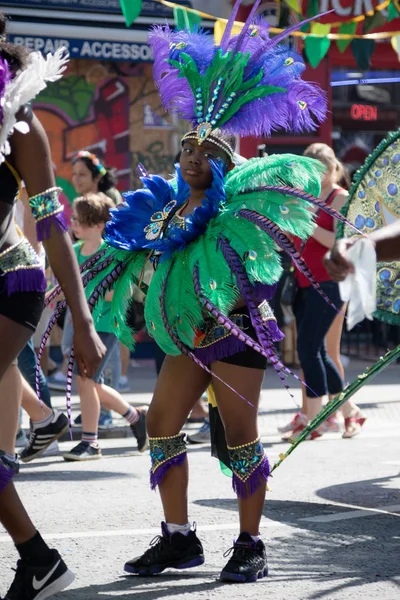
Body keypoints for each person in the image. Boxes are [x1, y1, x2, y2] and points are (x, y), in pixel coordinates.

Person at [77, 10, 359, 583]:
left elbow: (256, 275)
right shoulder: (163, 209)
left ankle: (250, 541)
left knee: (239, 438)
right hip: (187, 335)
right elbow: (129, 259)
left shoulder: (239, 213)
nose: (189, 158)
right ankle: (178, 537)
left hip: (236, 331)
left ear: (223, 161)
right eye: (185, 148)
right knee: (159, 421)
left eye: (203, 152)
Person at [0, 20, 105, 599]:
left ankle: (39, 559)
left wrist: (84, 323)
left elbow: (54, 224)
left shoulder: (19, 118)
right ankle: (38, 559)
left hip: (10, 281)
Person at [287, 144, 365, 441]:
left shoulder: (340, 197)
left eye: (321, 167)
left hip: (331, 282)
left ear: (333, 167)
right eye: (311, 168)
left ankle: (317, 419)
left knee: (308, 348)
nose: (316, 174)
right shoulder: (303, 197)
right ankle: (349, 410)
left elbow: (341, 241)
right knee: (316, 349)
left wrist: (307, 225)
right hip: (304, 282)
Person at [61, 193, 147, 460]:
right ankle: (135, 417)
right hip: (78, 324)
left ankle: (91, 442)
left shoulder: (111, 253)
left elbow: (120, 292)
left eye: (80, 220)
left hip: (104, 325)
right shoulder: (73, 252)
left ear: (99, 225)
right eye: (73, 218)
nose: (74, 224)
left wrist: (84, 292)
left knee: (86, 381)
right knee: (88, 383)